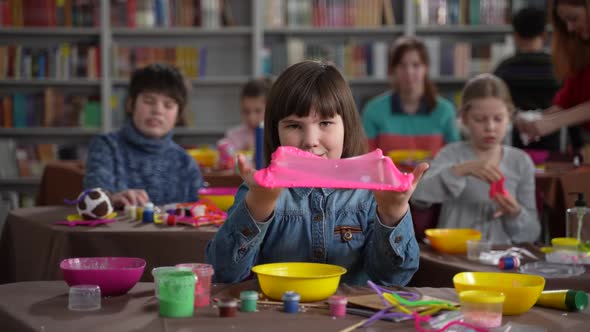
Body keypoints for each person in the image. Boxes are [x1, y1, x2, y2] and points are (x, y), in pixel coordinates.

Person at [206, 61, 429, 285]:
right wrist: (257, 208)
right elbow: (224, 273)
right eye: (294, 126)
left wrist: (393, 214)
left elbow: (395, 279)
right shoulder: (258, 191)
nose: (311, 141)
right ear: (276, 132)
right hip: (278, 316)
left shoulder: (374, 194)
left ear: (346, 128)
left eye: (325, 122)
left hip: (352, 317)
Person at [411, 74, 541, 244]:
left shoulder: (521, 162)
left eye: (498, 119)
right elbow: (418, 197)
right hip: (454, 255)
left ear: (509, 117)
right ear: (464, 119)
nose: (490, 127)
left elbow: (532, 235)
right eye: (480, 119)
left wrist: (515, 212)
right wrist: (459, 170)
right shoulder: (450, 154)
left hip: (500, 258)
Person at [84, 63, 203, 207]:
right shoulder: (106, 146)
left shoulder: (186, 163)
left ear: (179, 115)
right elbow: (93, 197)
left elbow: (199, 214)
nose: (158, 111)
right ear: (130, 104)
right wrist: (111, 199)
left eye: (168, 105)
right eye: (148, 101)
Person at [495, 6, 583, 152]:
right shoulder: (558, 67)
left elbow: (495, 102)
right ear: (544, 35)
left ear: (515, 35)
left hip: (514, 140)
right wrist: (577, 144)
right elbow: (572, 103)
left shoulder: (505, 68)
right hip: (555, 139)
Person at [362, 37, 460, 158]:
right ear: (393, 70)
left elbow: (454, 159)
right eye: (402, 65)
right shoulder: (373, 111)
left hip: (433, 176)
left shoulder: (445, 111)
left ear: (426, 68)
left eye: (416, 65)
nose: (409, 71)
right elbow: (367, 159)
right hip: (387, 177)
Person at [517, 0, 590, 147]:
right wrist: (533, 118)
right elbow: (566, 101)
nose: (569, 28)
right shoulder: (583, 54)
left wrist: (554, 122)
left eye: (573, 19)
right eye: (565, 22)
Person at [218, 77, 272, 152]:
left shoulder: (274, 135)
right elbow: (223, 150)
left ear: (269, 109)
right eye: (246, 111)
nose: (251, 117)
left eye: (258, 111)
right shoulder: (233, 135)